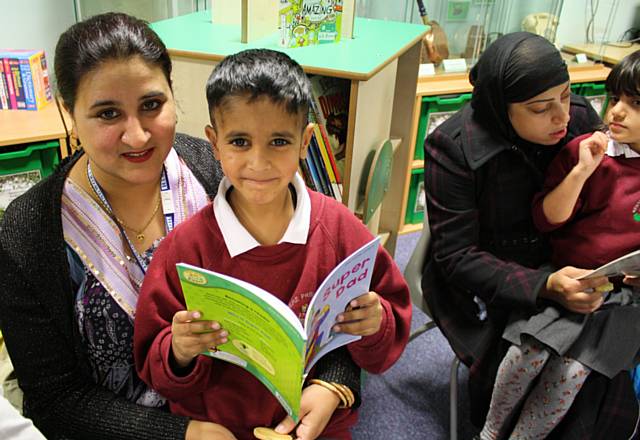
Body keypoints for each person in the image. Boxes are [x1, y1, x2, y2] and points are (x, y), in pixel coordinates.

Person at [0, 13, 360, 440]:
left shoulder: (225, 169)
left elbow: (320, 293)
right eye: (107, 113)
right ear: (69, 113)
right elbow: (55, 399)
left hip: (257, 412)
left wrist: (334, 383)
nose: (136, 136)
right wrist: (181, 434)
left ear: (173, 95)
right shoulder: (27, 235)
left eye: (152, 105)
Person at [133, 48, 412, 440]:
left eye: (279, 141)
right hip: (222, 431)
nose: (259, 162)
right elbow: (155, 365)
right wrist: (178, 350)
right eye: (240, 142)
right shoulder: (185, 249)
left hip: (317, 426)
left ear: (305, 142)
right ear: (214, 144)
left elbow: (391, 324)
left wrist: (377, 321)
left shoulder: (338, 228)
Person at [422, 31, 639, 439]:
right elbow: (456, 257)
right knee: (524, 353)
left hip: (569, 261)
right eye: (541, 108)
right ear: (502, 109)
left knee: (594, 369)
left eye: (566, 94)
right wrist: (545, 285)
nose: (562, 116)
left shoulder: (575, 117)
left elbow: (607, 202)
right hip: (490, 275)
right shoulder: (452, 147)